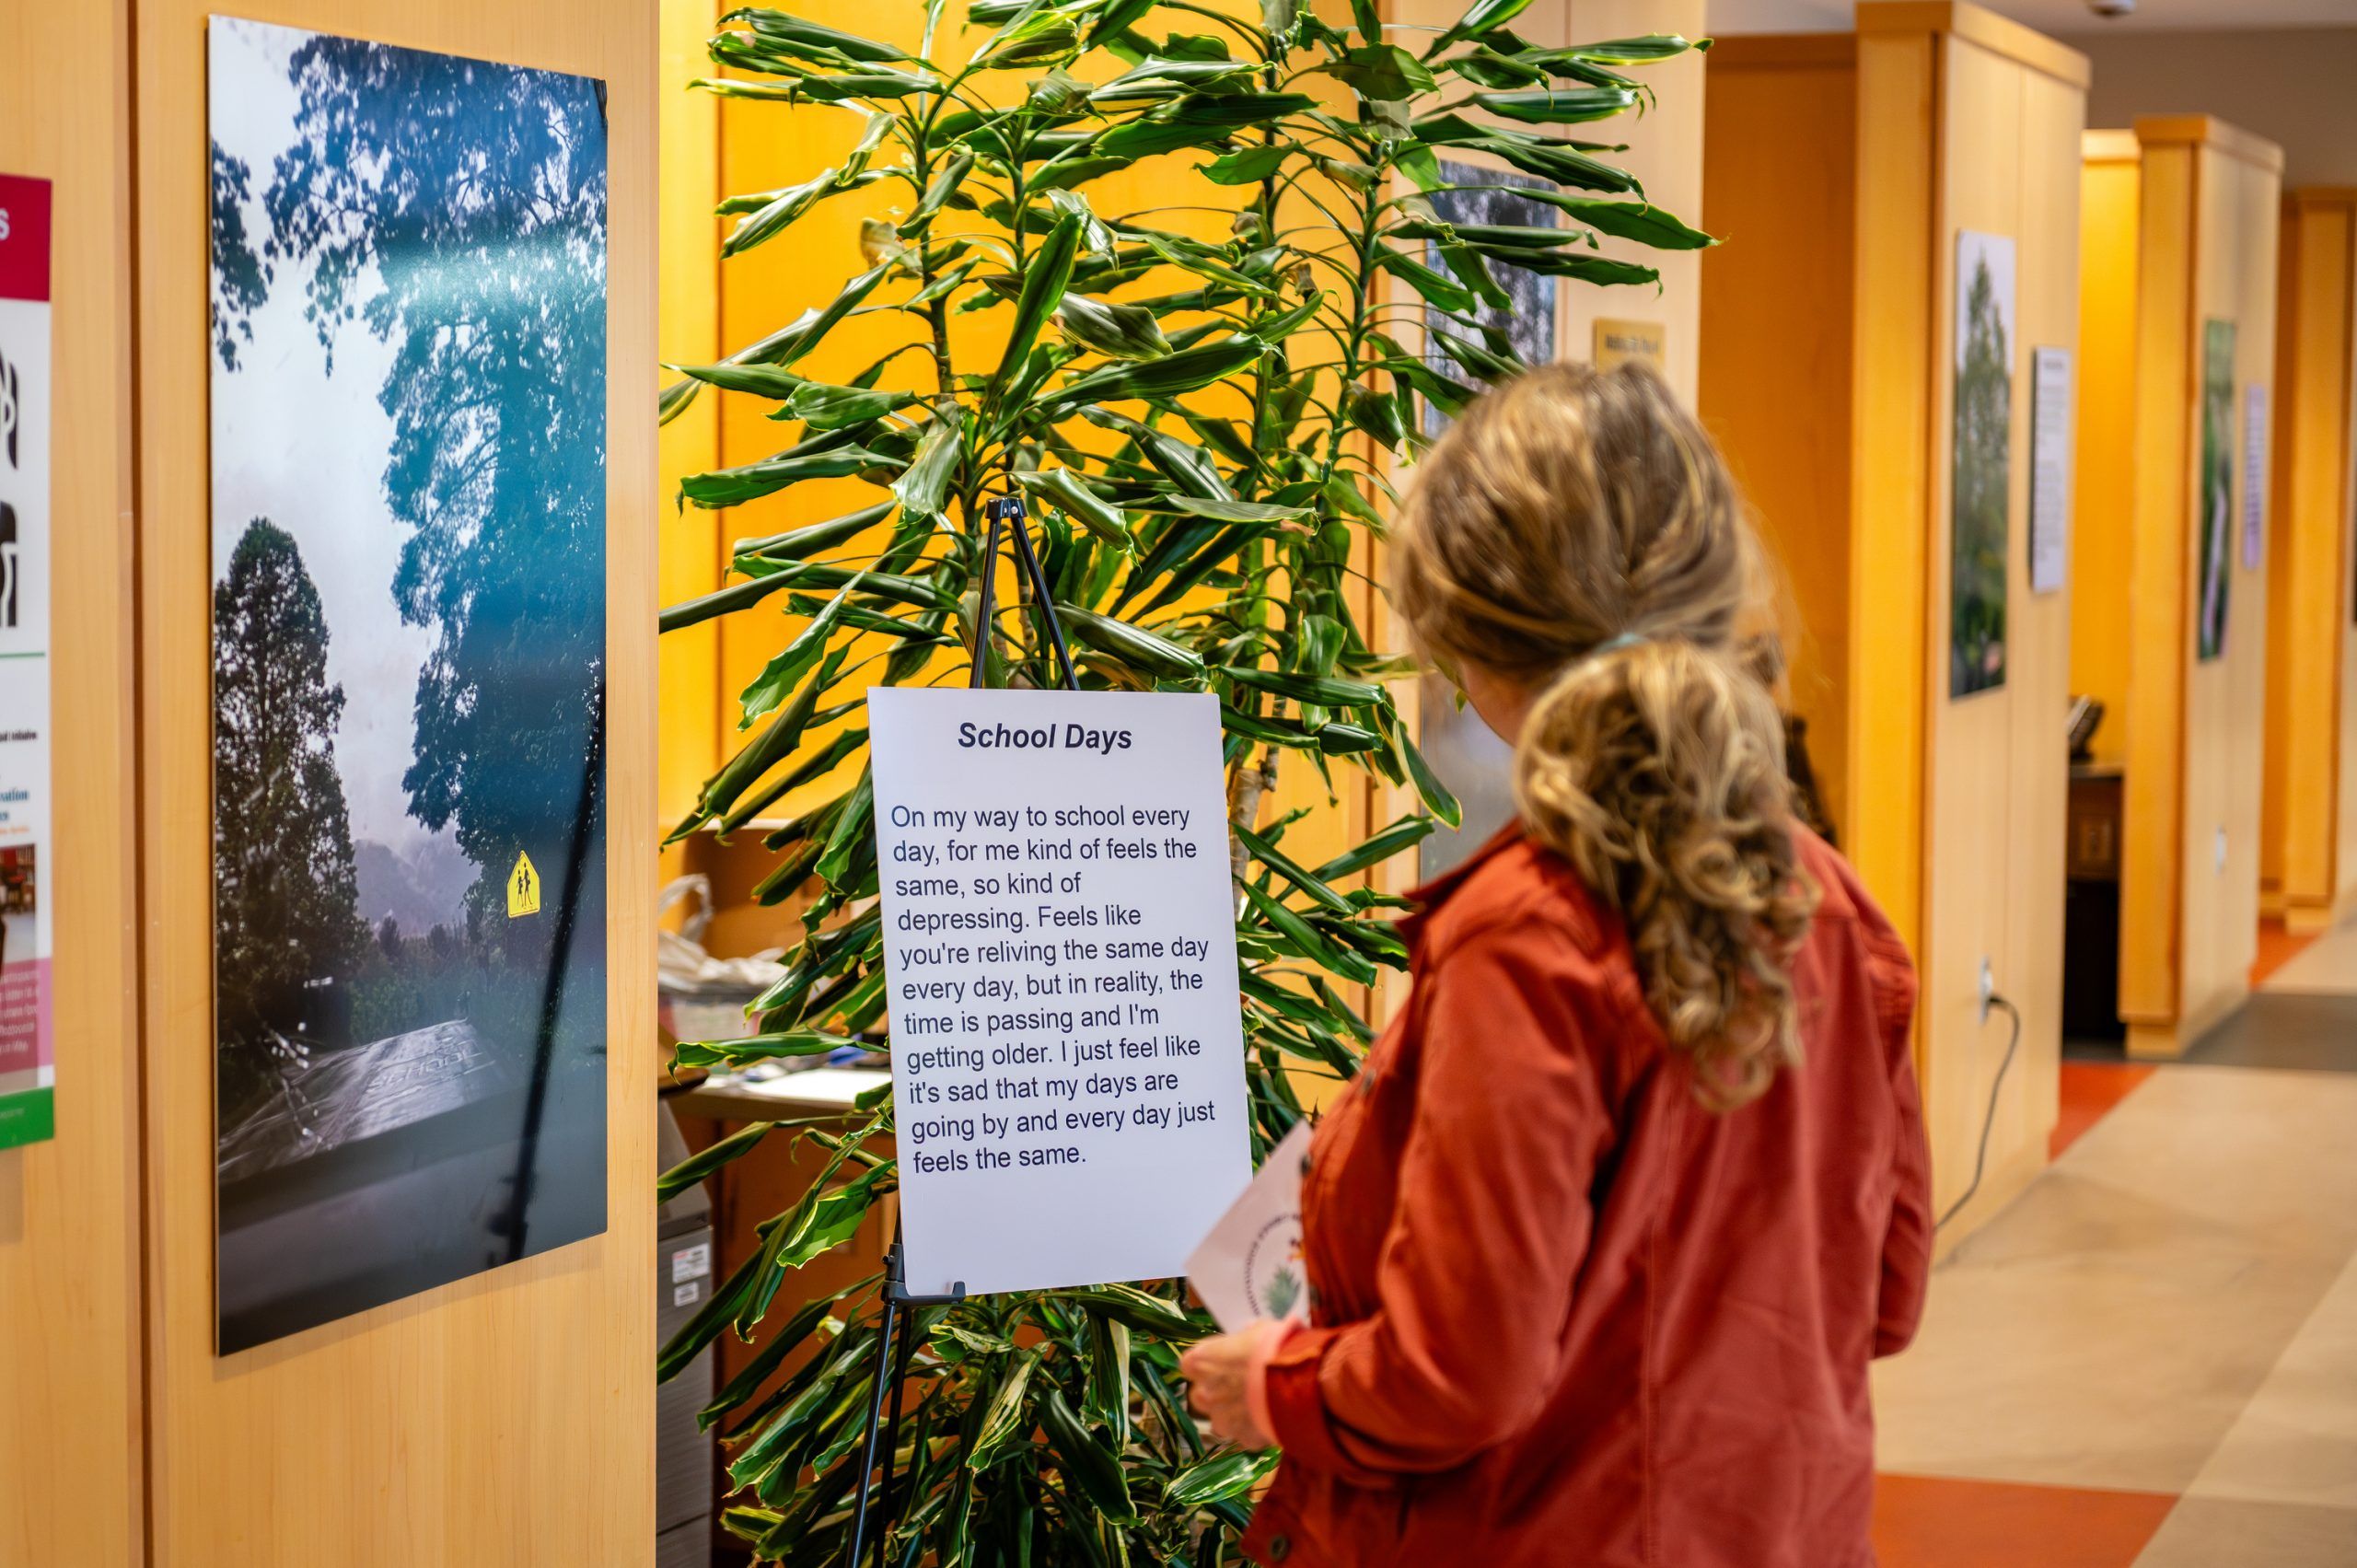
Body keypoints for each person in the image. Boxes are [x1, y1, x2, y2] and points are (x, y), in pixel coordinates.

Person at [1180, 362, 1932, 1568]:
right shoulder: (1828, 905)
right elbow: (1884, 1295)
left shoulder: (1524, 937)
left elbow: (1454, 1371)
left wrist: (1277, 1384)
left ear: (1471, 644)